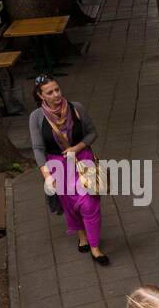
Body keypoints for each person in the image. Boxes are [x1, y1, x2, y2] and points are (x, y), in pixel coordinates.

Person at [29, 75, 109, 265]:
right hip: (57, 165)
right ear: (41, 96)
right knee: (71, 205)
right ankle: (82, 236)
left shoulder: (77, 108)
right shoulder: (36, 117)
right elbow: (38, 148)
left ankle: (95, 248)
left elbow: (92, 133)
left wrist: (77, 147)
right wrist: (47, 176)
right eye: (50, 92)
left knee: (89, 203)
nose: (56, 94)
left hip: (83, 160)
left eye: (57, 89)